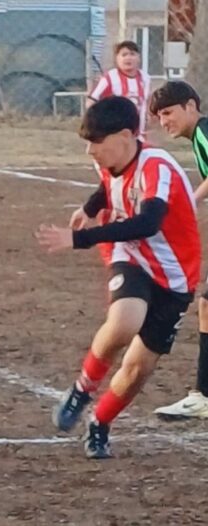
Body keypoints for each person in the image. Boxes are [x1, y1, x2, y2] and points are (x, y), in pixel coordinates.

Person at [36, 96, 200, 459]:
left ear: (126, 136)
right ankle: (82, 389)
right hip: (131, 254)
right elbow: (107, 186)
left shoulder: (156, 166)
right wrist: (89, 208)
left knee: (139, 368)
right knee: (125, 321)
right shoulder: (110, 158)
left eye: (97, 142)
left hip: (175, 274)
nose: (90, 151)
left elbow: (148, 222)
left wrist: (78, 238)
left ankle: (100, 422)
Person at [148, 81, 208, 419]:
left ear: (190, 106)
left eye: (168, 112)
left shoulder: (204, 131)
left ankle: (203, 396)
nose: (164, 121)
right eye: (159, 116)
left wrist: (188, 200)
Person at [88, 41, 151, 140]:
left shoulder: (145, 78)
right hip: (113, 133)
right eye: (124, 55)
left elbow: (146, 103)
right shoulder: (109, 78)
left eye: (132, 54)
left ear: (139, 58)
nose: (128, 58)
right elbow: (91, 101)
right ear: (117, 59)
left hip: (138, 134)